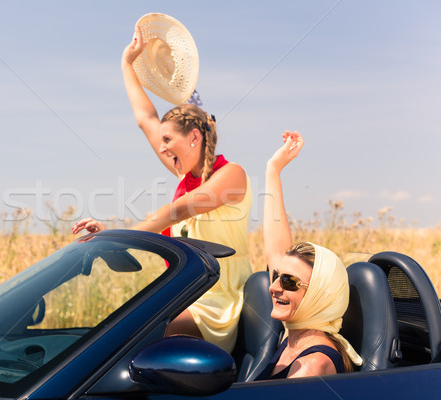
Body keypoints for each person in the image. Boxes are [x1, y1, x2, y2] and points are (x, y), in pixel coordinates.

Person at [72, 27, 253, 353]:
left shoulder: (232, 175)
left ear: (194, 138)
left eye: (168, 140)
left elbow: (177, 211)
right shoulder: (185, 174)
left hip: (220, 299)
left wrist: (120, 241)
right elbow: (146, 118)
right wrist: (127, 64)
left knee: (151, 341)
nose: (162, 146)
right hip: (186, 291)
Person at [255, 131, 362, 379]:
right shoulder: (295, 336)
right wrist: (273, 169)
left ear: (318, 297)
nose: (273, 287)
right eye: (278, 276)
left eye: (289, 282)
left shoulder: (311, 365)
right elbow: (275, 247)